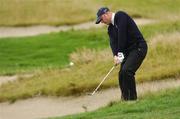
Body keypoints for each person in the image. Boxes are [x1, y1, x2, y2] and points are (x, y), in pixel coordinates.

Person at [95, 7, 148, 101]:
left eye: (101, 20)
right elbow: (113, 43)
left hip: (138, 47)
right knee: (121, 75)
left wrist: (120, 53)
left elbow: (122, 35)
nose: (102, 22)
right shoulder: (110, 29)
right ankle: (125, 100)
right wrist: (115, 56)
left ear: (106, 14)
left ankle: (132, 100)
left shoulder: (120, 16)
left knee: (127, 71)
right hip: (128, 52)